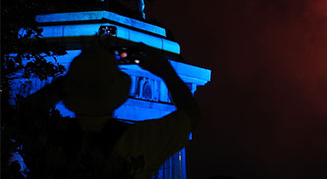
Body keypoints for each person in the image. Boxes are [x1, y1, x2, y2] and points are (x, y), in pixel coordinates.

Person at [14, 44, 200, 179]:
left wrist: (72, 79)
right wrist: (165, 70)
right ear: (115, 93)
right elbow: (192, 114)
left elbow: (21, 117)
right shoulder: (136, 141)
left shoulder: (49, 139)